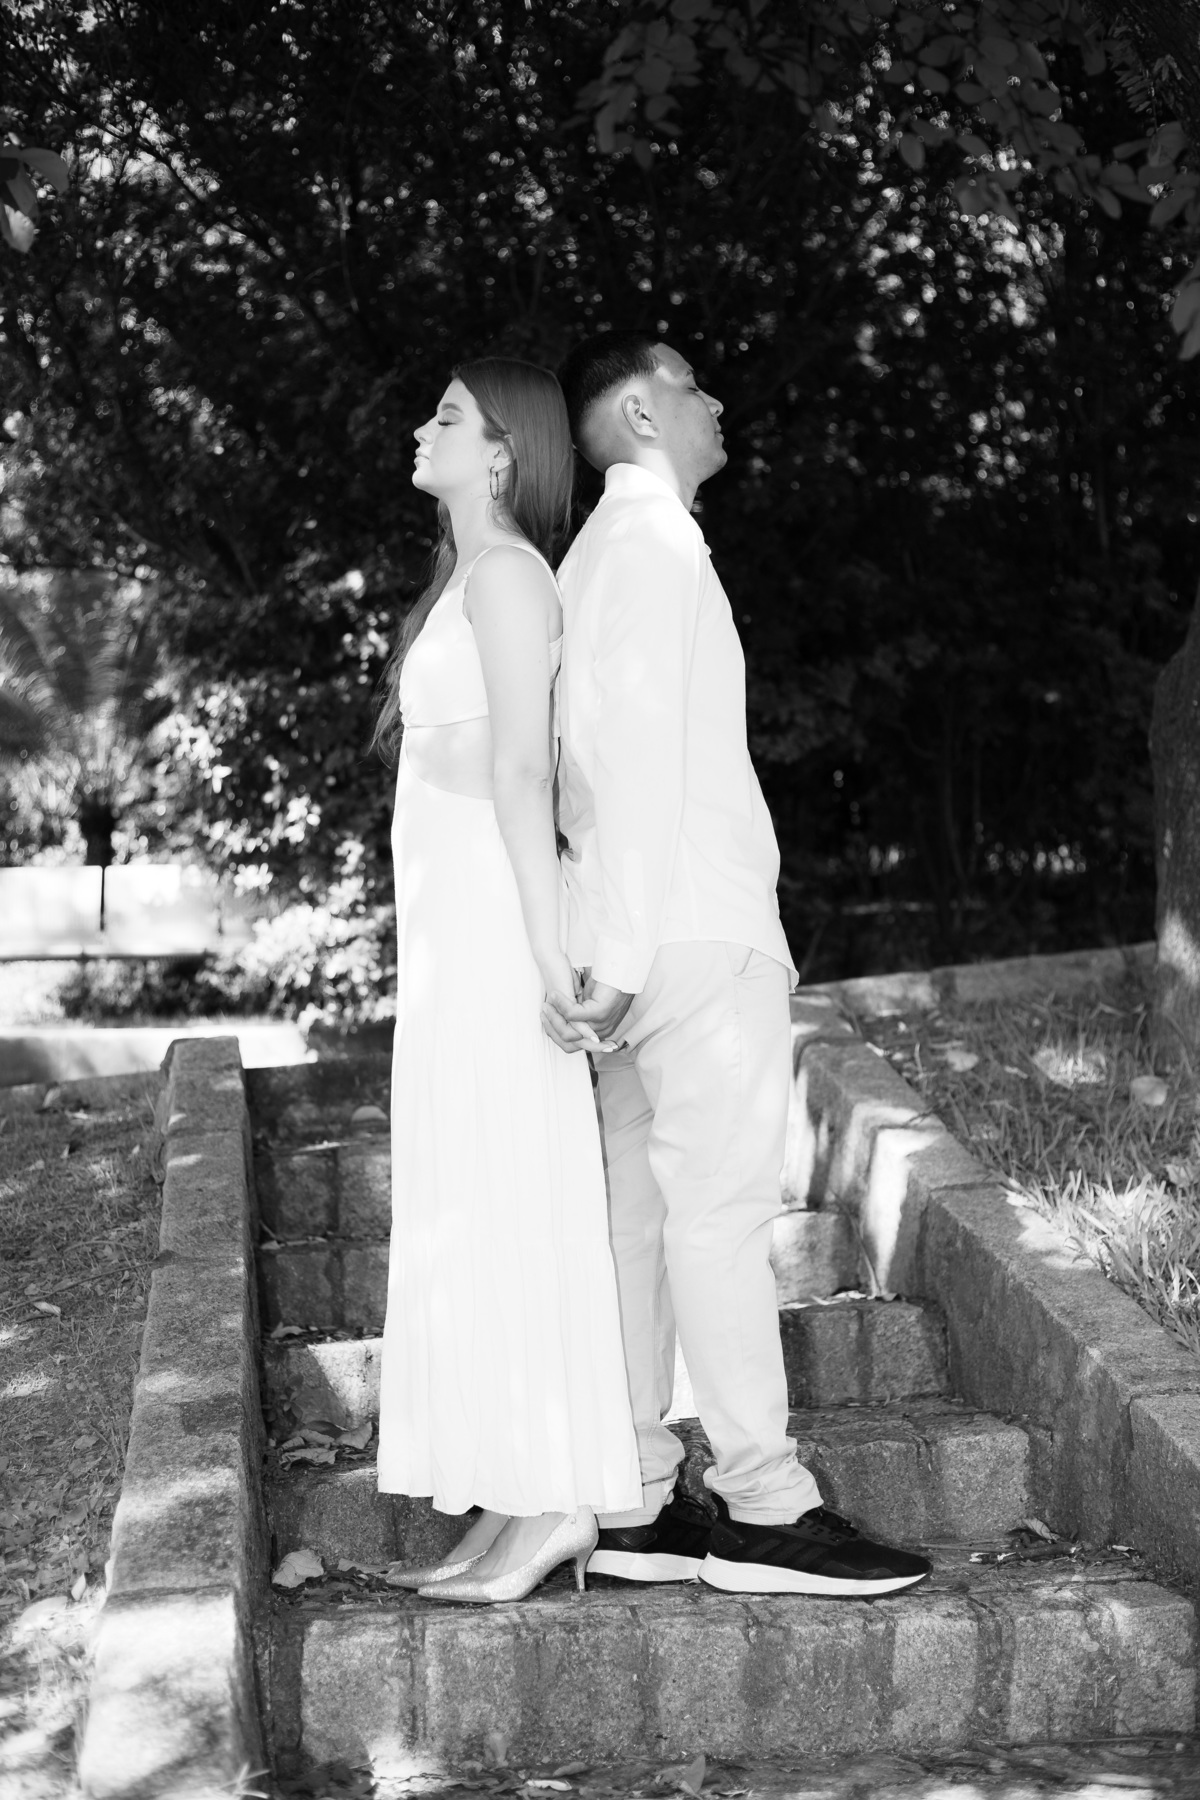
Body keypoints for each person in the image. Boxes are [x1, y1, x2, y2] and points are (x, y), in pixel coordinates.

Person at [545, 332, 931, 1597]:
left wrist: (601, 950)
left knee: (643, 1226)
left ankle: (639, 1498)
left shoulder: (590, 557)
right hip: (691, 933)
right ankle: (765, 1508)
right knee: (713, 1219)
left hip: (630, 943)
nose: (715, 402)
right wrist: (625, 948)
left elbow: (580, 774)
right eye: (692, 386)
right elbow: (641, 763)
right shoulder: (655, 544)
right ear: (639, 415)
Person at [372, 357, 641, 1605]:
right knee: (470, 1191)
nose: (421, 429)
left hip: (493, 923)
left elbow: (524, 773)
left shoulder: (513, 576)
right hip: (448, 928)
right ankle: (511, 1486)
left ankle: (556, 1496)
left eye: (448, 415)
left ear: (501, 453)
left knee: (510, 1181)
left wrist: (546, 953)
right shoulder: (467, 575)